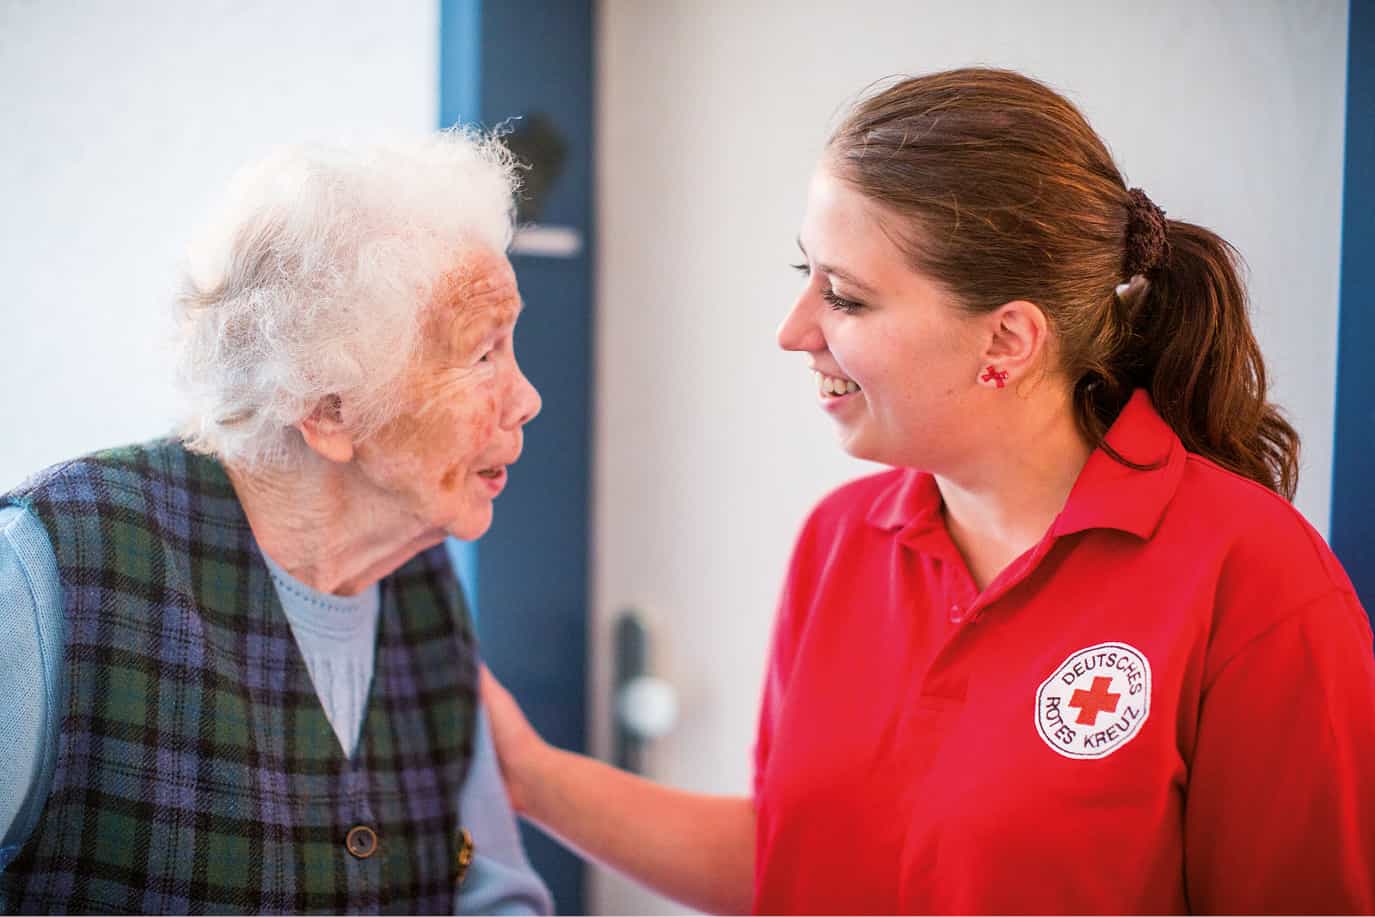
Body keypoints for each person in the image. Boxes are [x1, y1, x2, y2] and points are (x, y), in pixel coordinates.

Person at [479, 68, 1375, 914]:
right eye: (807, 276)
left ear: (1008, 340)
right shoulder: (841, 540)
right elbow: (797, 858)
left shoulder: (1253, 581)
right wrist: (527, 775)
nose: (795, 331)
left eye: (848, 298)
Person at [0, 131, 553, 914]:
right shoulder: (60, 565)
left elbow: (490, 893)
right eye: (482, 355)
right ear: (329, 411)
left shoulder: (418, 581)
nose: (526, 398)